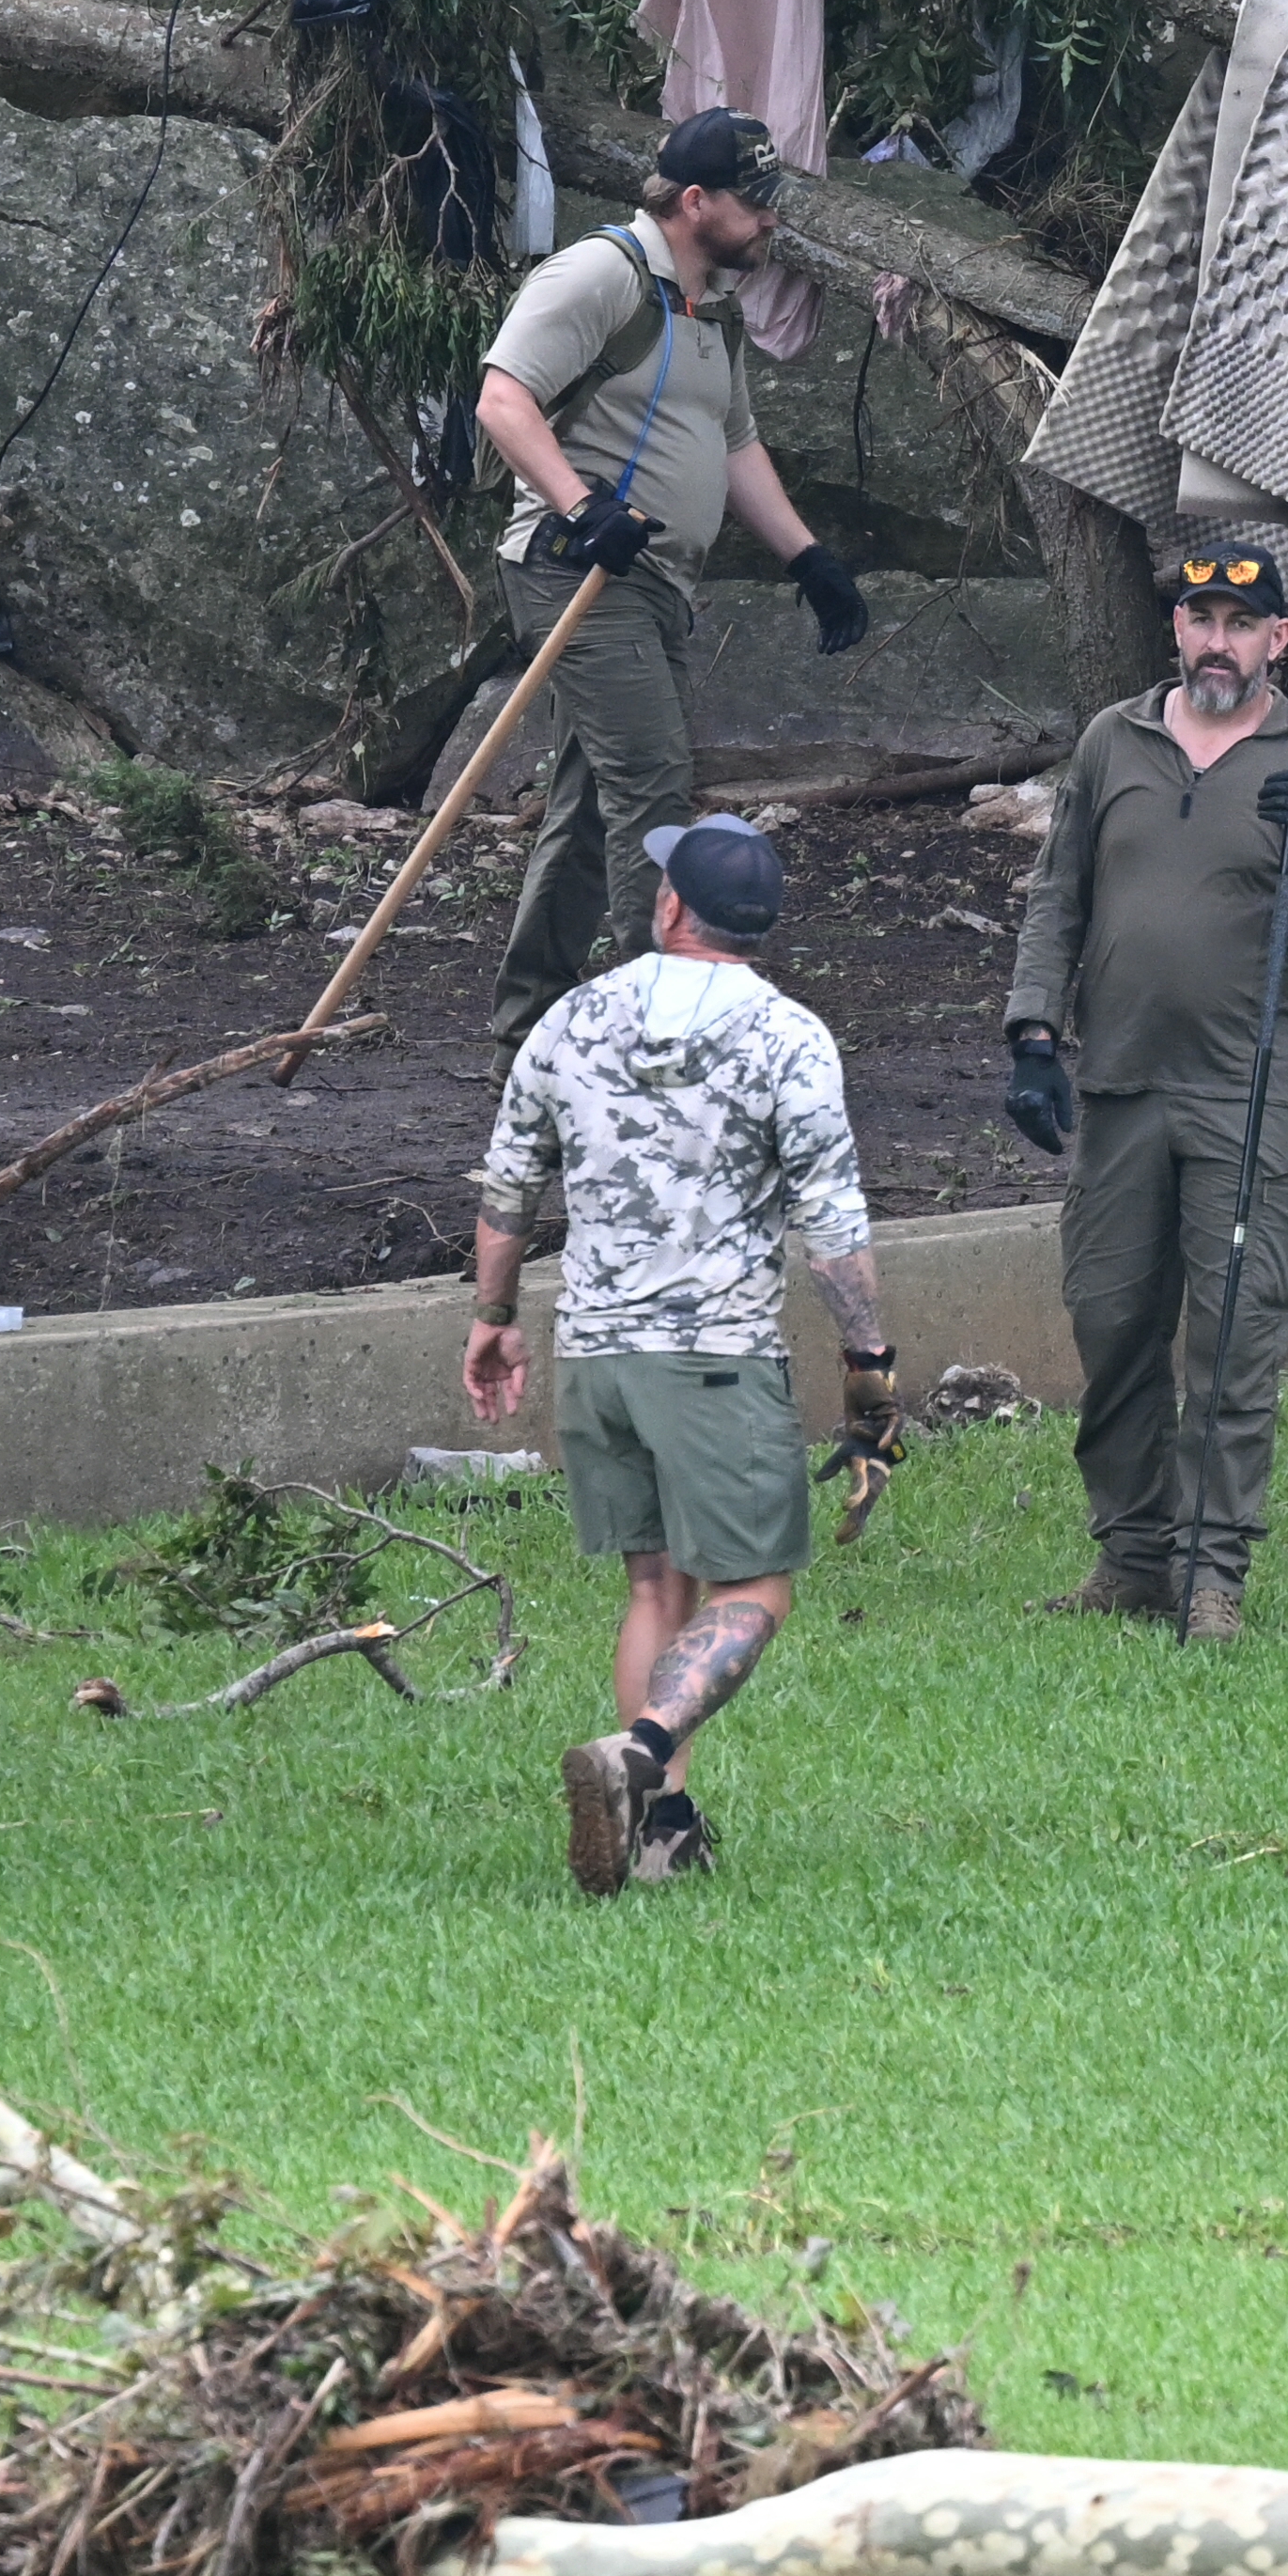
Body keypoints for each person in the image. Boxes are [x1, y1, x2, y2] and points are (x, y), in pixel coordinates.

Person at [463, 811, 892, 1893]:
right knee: (756, 1589)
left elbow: (511, 1180)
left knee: (658, 1582)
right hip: (714, 1358)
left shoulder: (573, 1015)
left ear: (668, 906)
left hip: (597, 1355)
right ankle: (639, 1754)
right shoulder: (790, 1034)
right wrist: (870, 1368)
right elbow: (832, 1224)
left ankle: (663, 1834)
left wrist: (494, 1314)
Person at [1001, 537, 1288, 1645]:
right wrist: (1035, 1033)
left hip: (1252, 1095)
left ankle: (1211, 1572)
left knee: (1234, 1333)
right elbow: (1058, 893)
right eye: (1197, 619)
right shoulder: (1110, 741)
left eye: (1240, 623)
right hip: (1121, 1084)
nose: (1214, 641)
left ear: (1280, 639)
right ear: (1175, 628)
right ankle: (1131, 1555)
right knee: (1112, 1317)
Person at [464, 108, 871, 1049]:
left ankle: (531, 1030)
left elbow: (733, 445)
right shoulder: (601, 272)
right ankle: (665, 1040)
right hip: (576, 573)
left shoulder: (710, 308)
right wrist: (580, 502)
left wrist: (809, 558)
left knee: (590, 805)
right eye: (757, 204)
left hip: (656, 587)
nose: (772, 222)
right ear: (696, 201)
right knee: (651, 783)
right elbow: (501, 396)